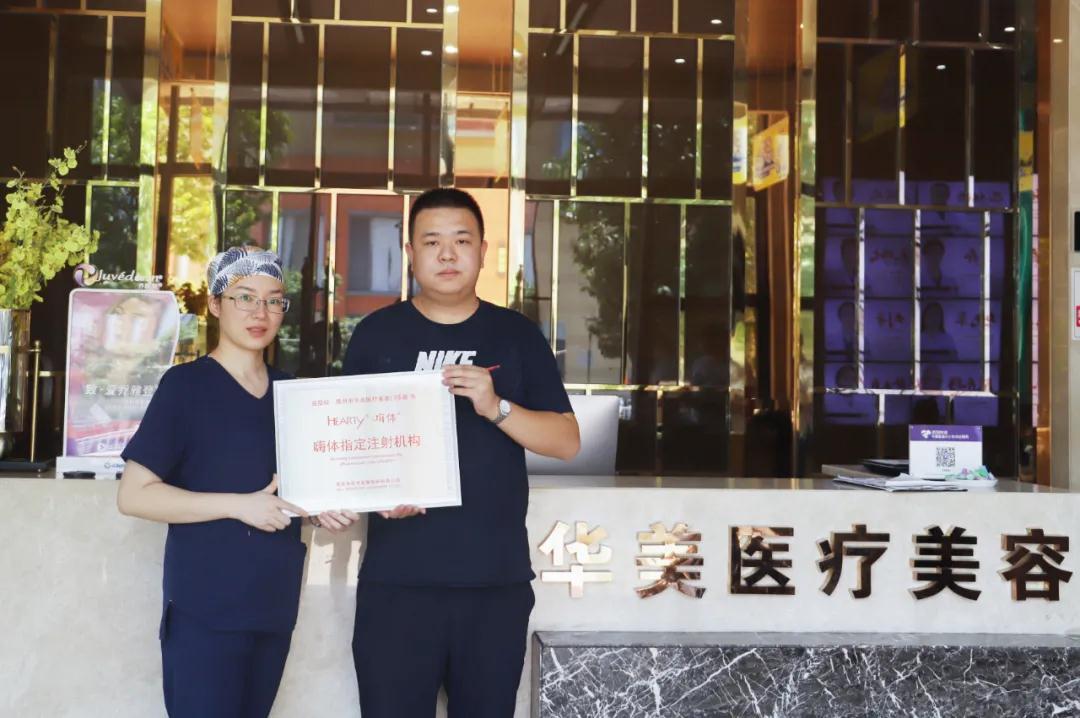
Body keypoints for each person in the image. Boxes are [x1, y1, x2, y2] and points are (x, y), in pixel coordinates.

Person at [323, 188, 581, 718]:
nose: (447, 254)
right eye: (431, 241)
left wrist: (495, 406)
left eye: (461, 241)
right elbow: (349, 446)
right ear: (410, 252)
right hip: (398, 582)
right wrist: (375, 496)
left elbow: (566, 441)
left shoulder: (516, 335)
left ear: (483, 251)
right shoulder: (376, 334)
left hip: (494, 582)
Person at [117, 246, 309, 718]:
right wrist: (239, 505)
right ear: (216, 304)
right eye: (245, 297)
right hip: (205, 610)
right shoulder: (185, 387)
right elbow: (134, 495)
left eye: (273, 300)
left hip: (273, 605)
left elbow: (296, 491)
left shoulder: (294, 394)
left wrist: (325, 508)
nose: (260, 312)